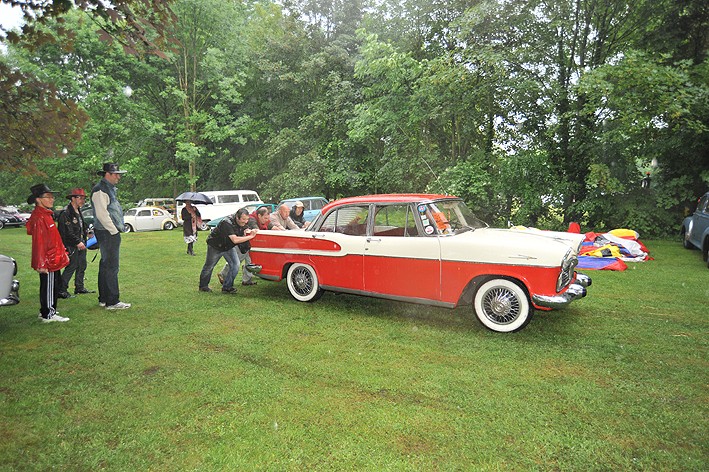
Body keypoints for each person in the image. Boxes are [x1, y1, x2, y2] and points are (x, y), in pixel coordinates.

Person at [26, 184, 70, 323]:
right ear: (38, 200)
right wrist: (42, 263)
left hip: (53, 258)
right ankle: (48, 314)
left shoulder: (46, 215)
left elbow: (53, 239)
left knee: (52, 285)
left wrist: (62, 252)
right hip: (48, 260)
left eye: (52, 196)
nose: (52, 199)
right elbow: (39, 242)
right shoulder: (40, 218)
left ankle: (46, 310)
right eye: (48, 197)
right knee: (49, 286)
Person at [92, 162, 131, 310]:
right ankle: (112, 301)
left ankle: (104, 298)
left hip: (107, 232)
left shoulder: (107, 189)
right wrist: (114, 231)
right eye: (116, 174)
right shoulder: (100, 190)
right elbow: (102, 214)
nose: (119, 177)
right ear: (107, 174)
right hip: (108, 232)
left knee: (105, 265)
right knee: (111, 267)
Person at [199, 208, 258, 294]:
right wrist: (251, 236)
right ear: (237, 218)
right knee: (209, 266)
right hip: (216, 246)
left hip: (228, 246)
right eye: (243, 219)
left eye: (247, 219)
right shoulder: (226, 223)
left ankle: (227, 287)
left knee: (235, 265)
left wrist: (249, 231)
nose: (245, 222)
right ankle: (203, 286)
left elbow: (245, 229)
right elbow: (235, 240)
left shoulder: (242, 222)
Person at [217, 206, 268, 286]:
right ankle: (223, 274)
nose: (266, 220)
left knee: (250, 260)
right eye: (265, 218)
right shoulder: (251, 219)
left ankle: (247, 279)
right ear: (259, 216)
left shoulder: (247, 219)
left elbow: (246, 227)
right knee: (237, 260)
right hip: (240, 243)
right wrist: (254, 230)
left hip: (247, 243)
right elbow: (252, 226)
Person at [57, 188, 94, 298]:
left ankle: (79, 287)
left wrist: (88, 232)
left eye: (83, 198)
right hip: (71, 244)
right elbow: (67, 232)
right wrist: (77, 242)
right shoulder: (66, 213)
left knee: (82, 265)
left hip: (81, 243)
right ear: (73, 198)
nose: (82, 200)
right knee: (71, 266)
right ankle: (61, 290)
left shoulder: (79, 211)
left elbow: (81, 226)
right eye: (80, 198)